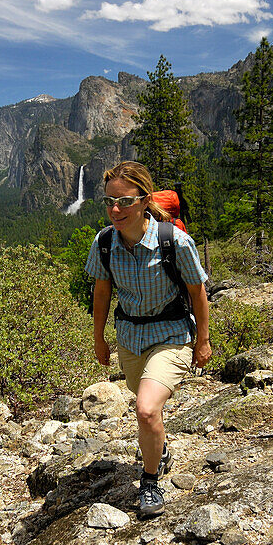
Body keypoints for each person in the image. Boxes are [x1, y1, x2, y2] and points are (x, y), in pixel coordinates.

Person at [84, 161, 211, 517]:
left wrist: (203, 340)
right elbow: (102, 292)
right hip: (129, 337)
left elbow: (197, 291)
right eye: (109, 201)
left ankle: (151, 482)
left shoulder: (175, 242)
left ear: (144, 201)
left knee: (146, 408)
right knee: (142, 403)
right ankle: (161, 447)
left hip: (171, 335)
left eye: (124, 201)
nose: (114, 210)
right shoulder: (105, 242)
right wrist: (99, 339)